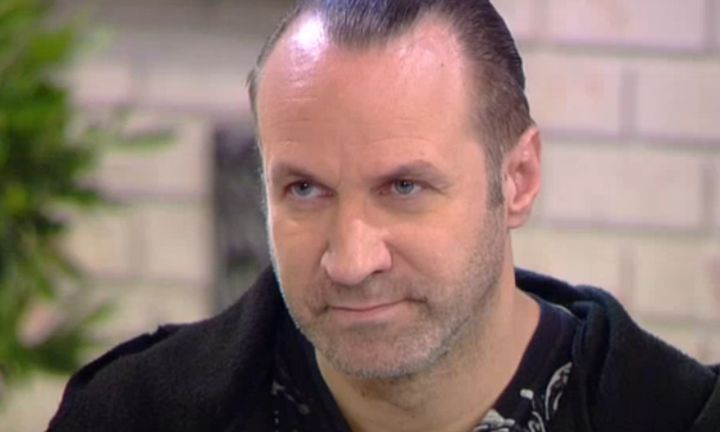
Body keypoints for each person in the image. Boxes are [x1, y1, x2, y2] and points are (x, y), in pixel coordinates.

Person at [49, 1, 720, 431]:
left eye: (403, 187)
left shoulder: (676, 415)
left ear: (517, 180)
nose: (350, 260)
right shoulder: (132, 414)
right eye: (304, 190)